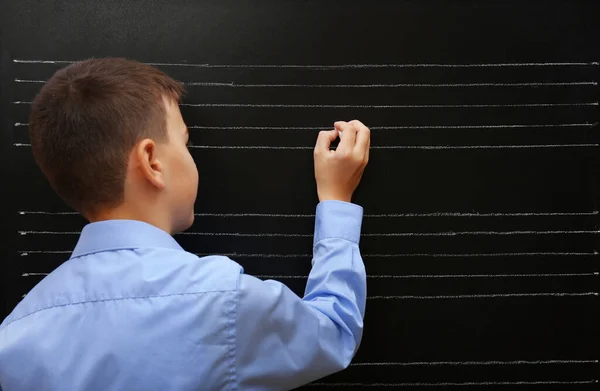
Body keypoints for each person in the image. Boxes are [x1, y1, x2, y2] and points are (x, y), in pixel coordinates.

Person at [0, 58, 370, 391]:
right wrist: (336, 201)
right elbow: (334, 334)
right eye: (185, 142)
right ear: (152, 162)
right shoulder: (222, 300)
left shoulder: (12, 340)